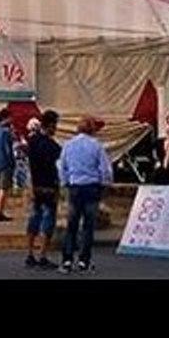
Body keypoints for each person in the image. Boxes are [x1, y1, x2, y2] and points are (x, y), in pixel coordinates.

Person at [58, 117, 113, 273]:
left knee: (72, 224)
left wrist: (66, 182)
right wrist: (104, 183)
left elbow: (62, 166)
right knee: (88, 226)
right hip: (91, 186)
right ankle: (84, 260)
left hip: (75, 186)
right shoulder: (97, 145)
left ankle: (67, 260)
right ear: (92, 129)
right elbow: (105, 168)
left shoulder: (68, 145)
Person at [24, 110, 61, 269]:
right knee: (48, 221)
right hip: (49, 187)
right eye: (55, 126)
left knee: (34, 219)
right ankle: (43, 255)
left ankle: (30, 254)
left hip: (35, 185)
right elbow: (59, 167)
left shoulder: (32, 141)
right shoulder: (53, 146)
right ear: (51, 125)